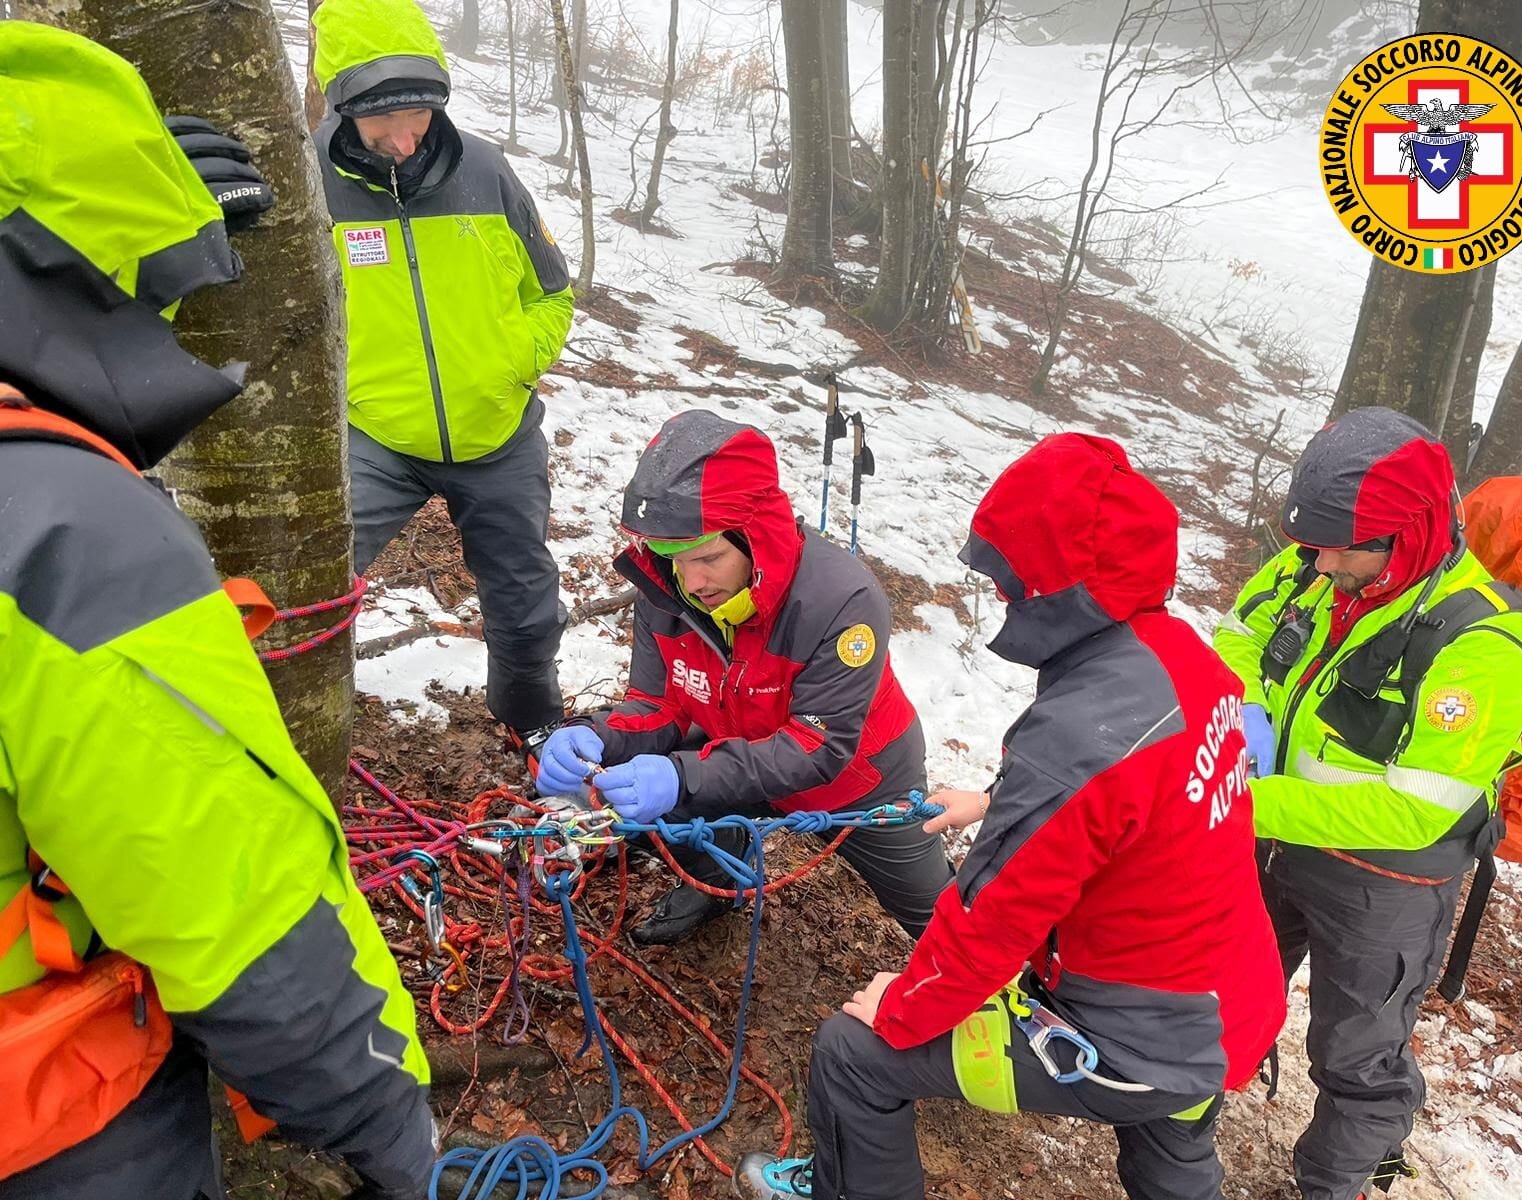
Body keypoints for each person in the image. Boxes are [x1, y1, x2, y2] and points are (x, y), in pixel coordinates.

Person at [0, 24, 434, 1200]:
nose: (170, 331)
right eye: (149, 293)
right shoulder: (61, 527)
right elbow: (235, 912)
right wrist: (379, 1110)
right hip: (52, 1119)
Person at [732, 433, 1286, 1200]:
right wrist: (1003, 803)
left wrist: (902, 1005)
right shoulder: (1185, 658)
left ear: (1067, 585)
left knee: (853, 1053)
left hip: (1134, 1033)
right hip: (1231, 1005)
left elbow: (994, 916)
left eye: (1012, 578)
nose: (1000, 595)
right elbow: (1149, 805)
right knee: (1173, 1149)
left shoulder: (1079, 732)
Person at [1213, 407, 1522, 1200]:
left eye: (1340, 546)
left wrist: (1250, 799)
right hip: (1273, 840)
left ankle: (1335, 1184)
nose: (1318, 561)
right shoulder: (1312, 565)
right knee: (1221, 984)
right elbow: (1241, 643)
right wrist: (1253, 742)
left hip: (1382, 885)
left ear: (1414, 535)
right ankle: (1179, 1114)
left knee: (1356, 1059)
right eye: (1311, 541)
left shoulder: (1481, 650)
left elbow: (1412, 813)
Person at [535, 409, 952, 945]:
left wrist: (683, 775)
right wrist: (597, 733)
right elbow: (659, 703)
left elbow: (816, 746)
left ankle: (1014, 996)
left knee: (932, 913)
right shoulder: (669, 585)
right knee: (654, 798)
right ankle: (718, 883)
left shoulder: (840, 600)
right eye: (671, 558)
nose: (692, 581)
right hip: (732, 746)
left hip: (859, 781)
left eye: (708, 558)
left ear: (756, 539)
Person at [312, 0, 575, 756]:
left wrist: (512, 362)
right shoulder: (309, 178)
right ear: (342, 108)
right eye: (380, 122)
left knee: (525, 603)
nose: (402, 138)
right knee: (315, 582)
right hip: (377, 433)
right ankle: (307, 724)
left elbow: (553, 290)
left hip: (496, 431)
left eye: (417, 116)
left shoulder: (486, 170)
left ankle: (533, 721)